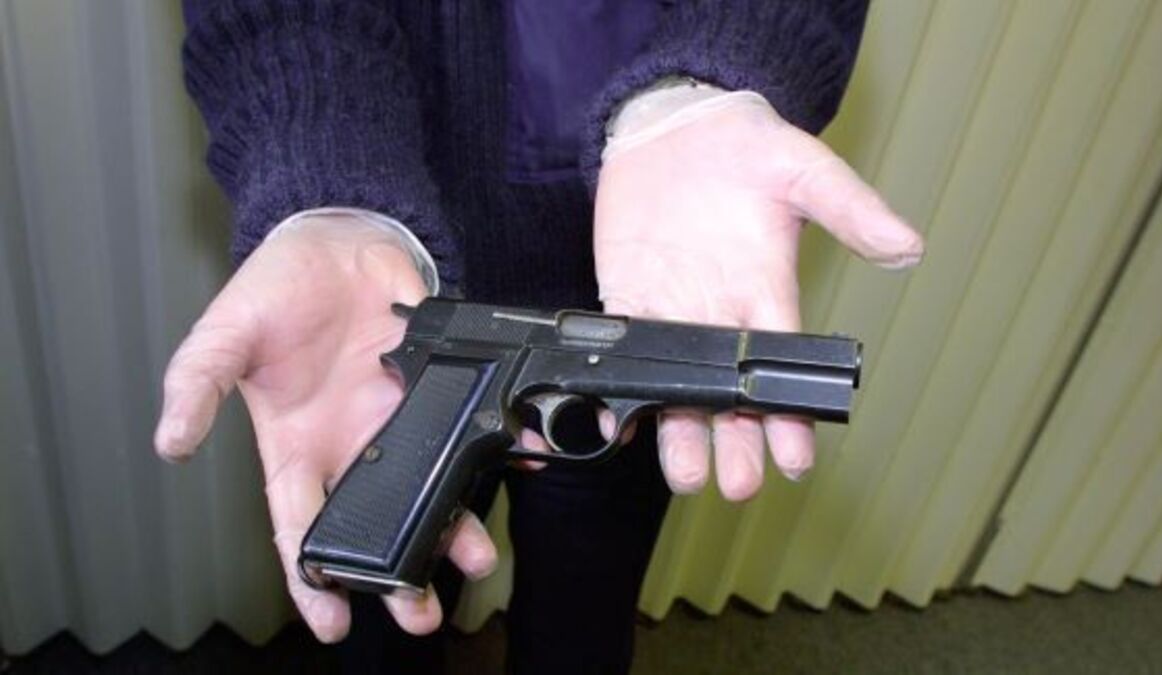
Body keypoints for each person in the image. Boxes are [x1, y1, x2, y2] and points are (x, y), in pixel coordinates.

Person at [154, 1, 924, 672]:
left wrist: (702, 89)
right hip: (421, 295)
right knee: (383, 621)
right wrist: (329, 183)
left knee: (581, 622)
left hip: (621, 295)